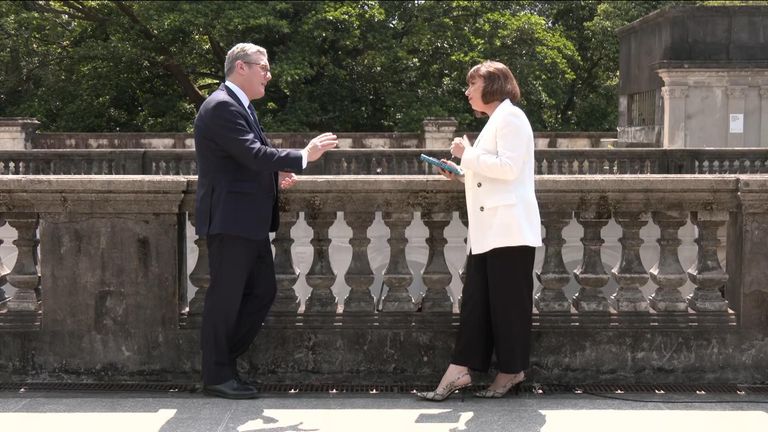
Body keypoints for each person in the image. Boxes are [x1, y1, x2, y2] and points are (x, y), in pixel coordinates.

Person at [194, 43, 337, 399]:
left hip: (245, 220)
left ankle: (223, 364)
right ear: (241, 67)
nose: (269, 76)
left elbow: (241, 162)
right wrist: (305, 154)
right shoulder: (222, 107)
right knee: (225, 299)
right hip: (231, 220)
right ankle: (217, 373)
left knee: (263, 291)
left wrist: (271, 178)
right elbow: (252, 153)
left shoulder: (238, 106)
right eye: (264, 68)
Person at [417, 61, 542, 401]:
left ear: (493, 86)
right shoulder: (496, 121)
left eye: (473, 84)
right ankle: (462, 370)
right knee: (478, 303)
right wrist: (459, 171)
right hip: (492, 230)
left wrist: (466, 155)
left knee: (507, 306)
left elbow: (508, 168)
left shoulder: (512, 117)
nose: (468, 91)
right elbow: (491, 174)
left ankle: (508, 371)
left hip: (509, 229)